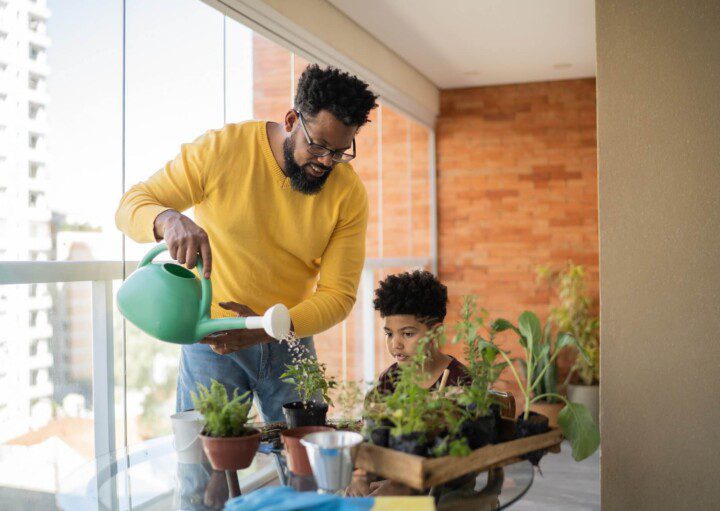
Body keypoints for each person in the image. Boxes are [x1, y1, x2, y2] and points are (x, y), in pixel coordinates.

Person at [116, 65, 378, 422]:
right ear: (290, 120)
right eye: (317, 145)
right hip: (213, 338)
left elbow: (339, 295)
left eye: (339, 152)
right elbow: (130, 205)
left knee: (304, 466)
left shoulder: (347, 193)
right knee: (201, 471)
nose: (325, 162)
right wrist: (168, 219)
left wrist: (268, 330)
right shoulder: (222, 150)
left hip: (289, 338)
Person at [372, 270, 471, 393]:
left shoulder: (463, 380)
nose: (395, 344)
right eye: (389, 334)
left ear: (435, 332)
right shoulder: (388, 380)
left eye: (407, 334)